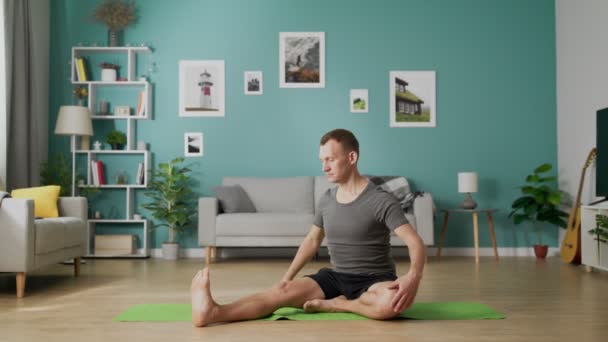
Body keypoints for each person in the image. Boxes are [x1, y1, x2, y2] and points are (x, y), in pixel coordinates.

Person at [191, 128, 426, 327]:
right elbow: (312, 240)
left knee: (390, 302)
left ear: (352, 157)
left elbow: (415, 242)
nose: (324, 167)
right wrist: (287, 277)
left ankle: (340, 304)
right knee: (279, 293)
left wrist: (412, 277)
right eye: (322, 160)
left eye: (330, 159)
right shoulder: (327, 199)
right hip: (336, 277)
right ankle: (214, 312)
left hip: (375, 279)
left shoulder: (380, 199)